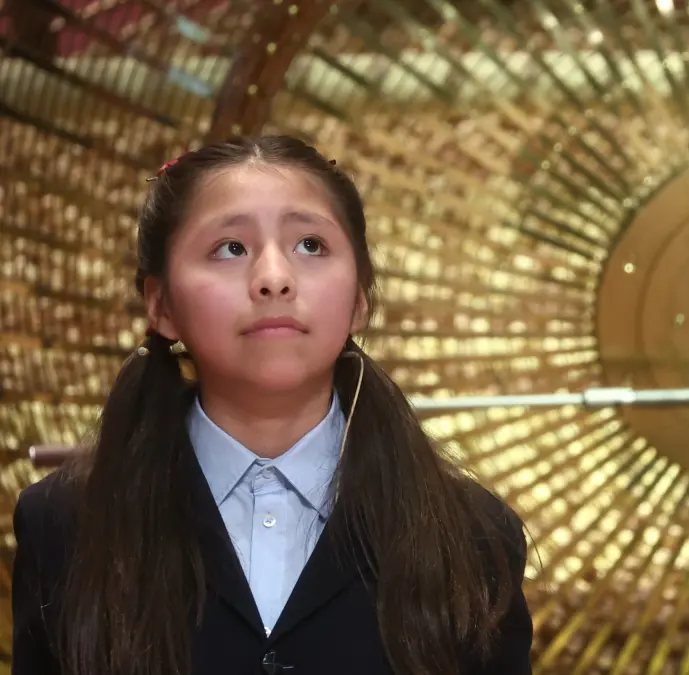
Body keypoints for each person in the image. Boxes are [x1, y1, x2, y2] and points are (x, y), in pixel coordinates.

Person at [11, 135, 533, 675]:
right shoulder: (65, 525)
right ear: (161, 305)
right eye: (230, 249)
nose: (274, 279)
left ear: (360, 299)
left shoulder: (472, 536)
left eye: (309, 244)